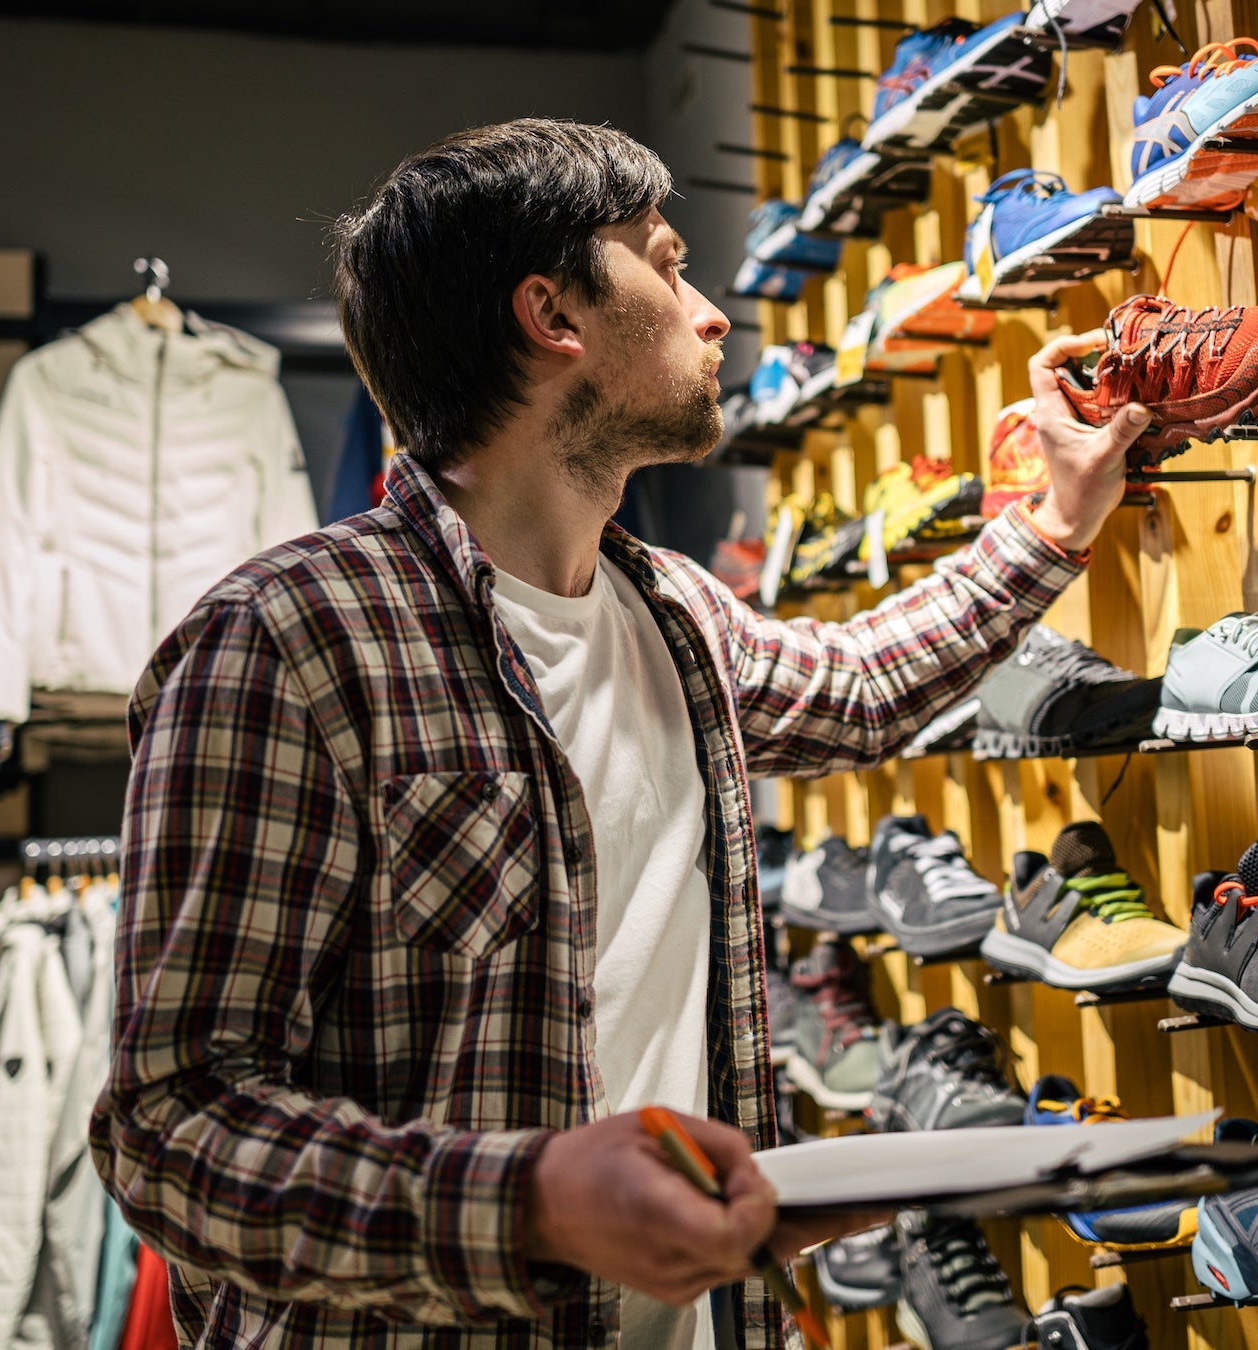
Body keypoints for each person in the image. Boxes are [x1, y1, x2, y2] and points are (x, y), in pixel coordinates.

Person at [89, 118, 1147, 1350]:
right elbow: (172, 1126)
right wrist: (533, 1207)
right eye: (669, 262)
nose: (711, 314)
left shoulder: (673, 613)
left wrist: (1055, 520)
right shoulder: (284, 643)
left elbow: (862, 687)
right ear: (555, 315)